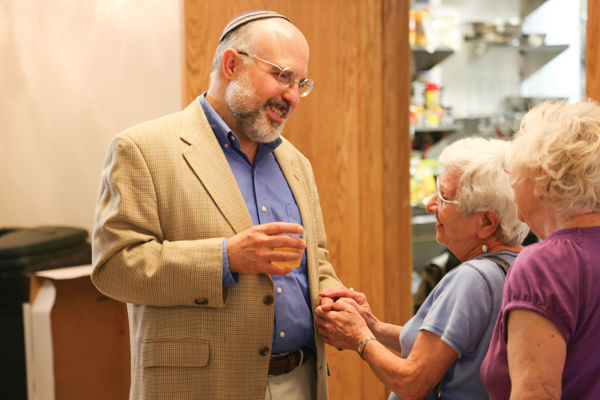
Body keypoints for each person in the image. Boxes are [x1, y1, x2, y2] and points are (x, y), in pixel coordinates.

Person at [91, 10, 342, 400]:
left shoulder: (296, 164)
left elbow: (316, 260)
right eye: (282, 76)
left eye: (300, 83)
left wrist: (333, 296)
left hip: (302, 380)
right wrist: (226, 258)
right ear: (232, 64)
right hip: (202, 387)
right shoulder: (143, 149)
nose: (292, 96)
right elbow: (114, 268)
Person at [315, 137, 529, 399]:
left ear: (486, 222)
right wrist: (373, 326)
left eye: (444, 198)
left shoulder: (472, 280)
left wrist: (358, 337)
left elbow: (411, 382)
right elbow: (442, 347)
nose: (430, 205)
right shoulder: (522, 265)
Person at [481, 101, 600, 399]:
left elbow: (536, 392)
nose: (510, 185)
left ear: (543, 178)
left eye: (514, 174)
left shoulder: (545, 264)